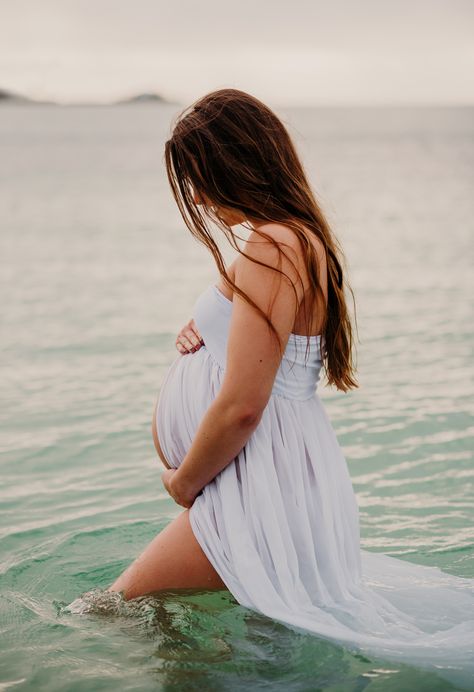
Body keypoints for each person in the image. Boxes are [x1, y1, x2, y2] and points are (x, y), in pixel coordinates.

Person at [107, 89, 474, 682]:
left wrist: (183, 481)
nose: (198, 198)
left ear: (236, 164)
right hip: (267, 477)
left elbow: (244, 407)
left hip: (254, 484)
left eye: (201, 178)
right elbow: (258, 352)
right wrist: (203, 329)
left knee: (107, 615)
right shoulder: (296, 240)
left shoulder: (274, 243)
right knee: (260, 649)